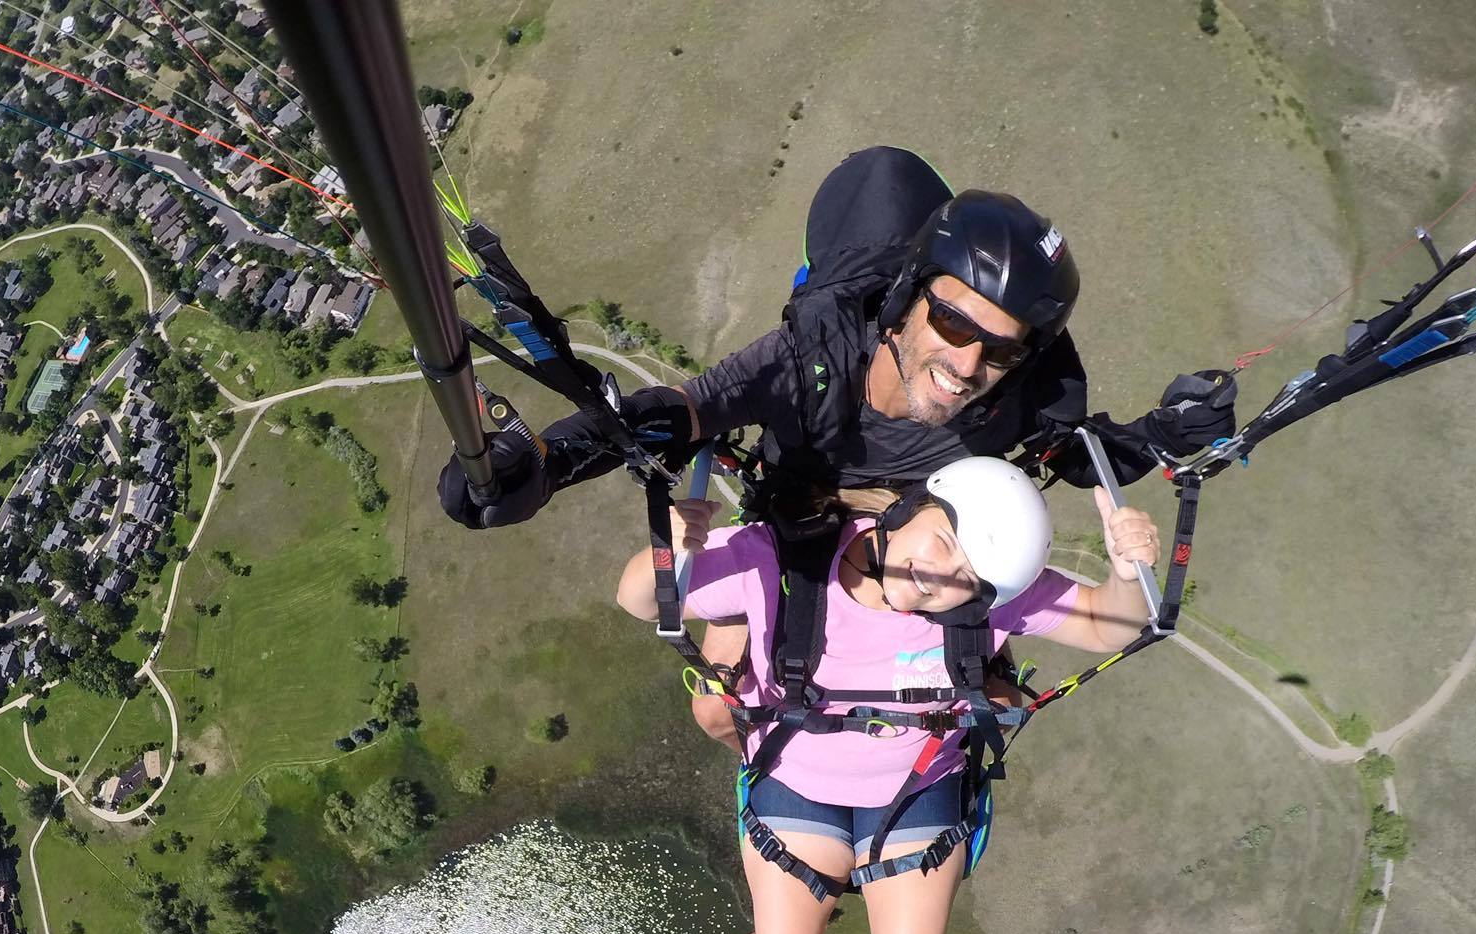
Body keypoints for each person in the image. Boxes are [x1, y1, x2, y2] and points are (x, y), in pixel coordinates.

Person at [439, 147, 1234, 742]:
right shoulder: (809, 358)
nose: (968, 367)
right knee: (719, 707)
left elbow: (1072, 454)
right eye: (955, 324)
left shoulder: (1011, 400)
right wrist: (545, 464)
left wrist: (1164, 436)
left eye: (1001, 349)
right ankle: (784, 779)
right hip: (800, 536)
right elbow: (681, 411)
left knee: (956, 707)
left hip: (917, 563)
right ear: (904, 301)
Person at [614, 459, 1161, 934]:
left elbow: (1107, 622)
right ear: (907, 510)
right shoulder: (785, 558)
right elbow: (638, 598)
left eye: (967, 578)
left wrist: (1125, 575)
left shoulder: (987, 603)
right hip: (798, 778)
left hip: (918, 782)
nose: (938, 577)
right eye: (945, 542)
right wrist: (673, 551)